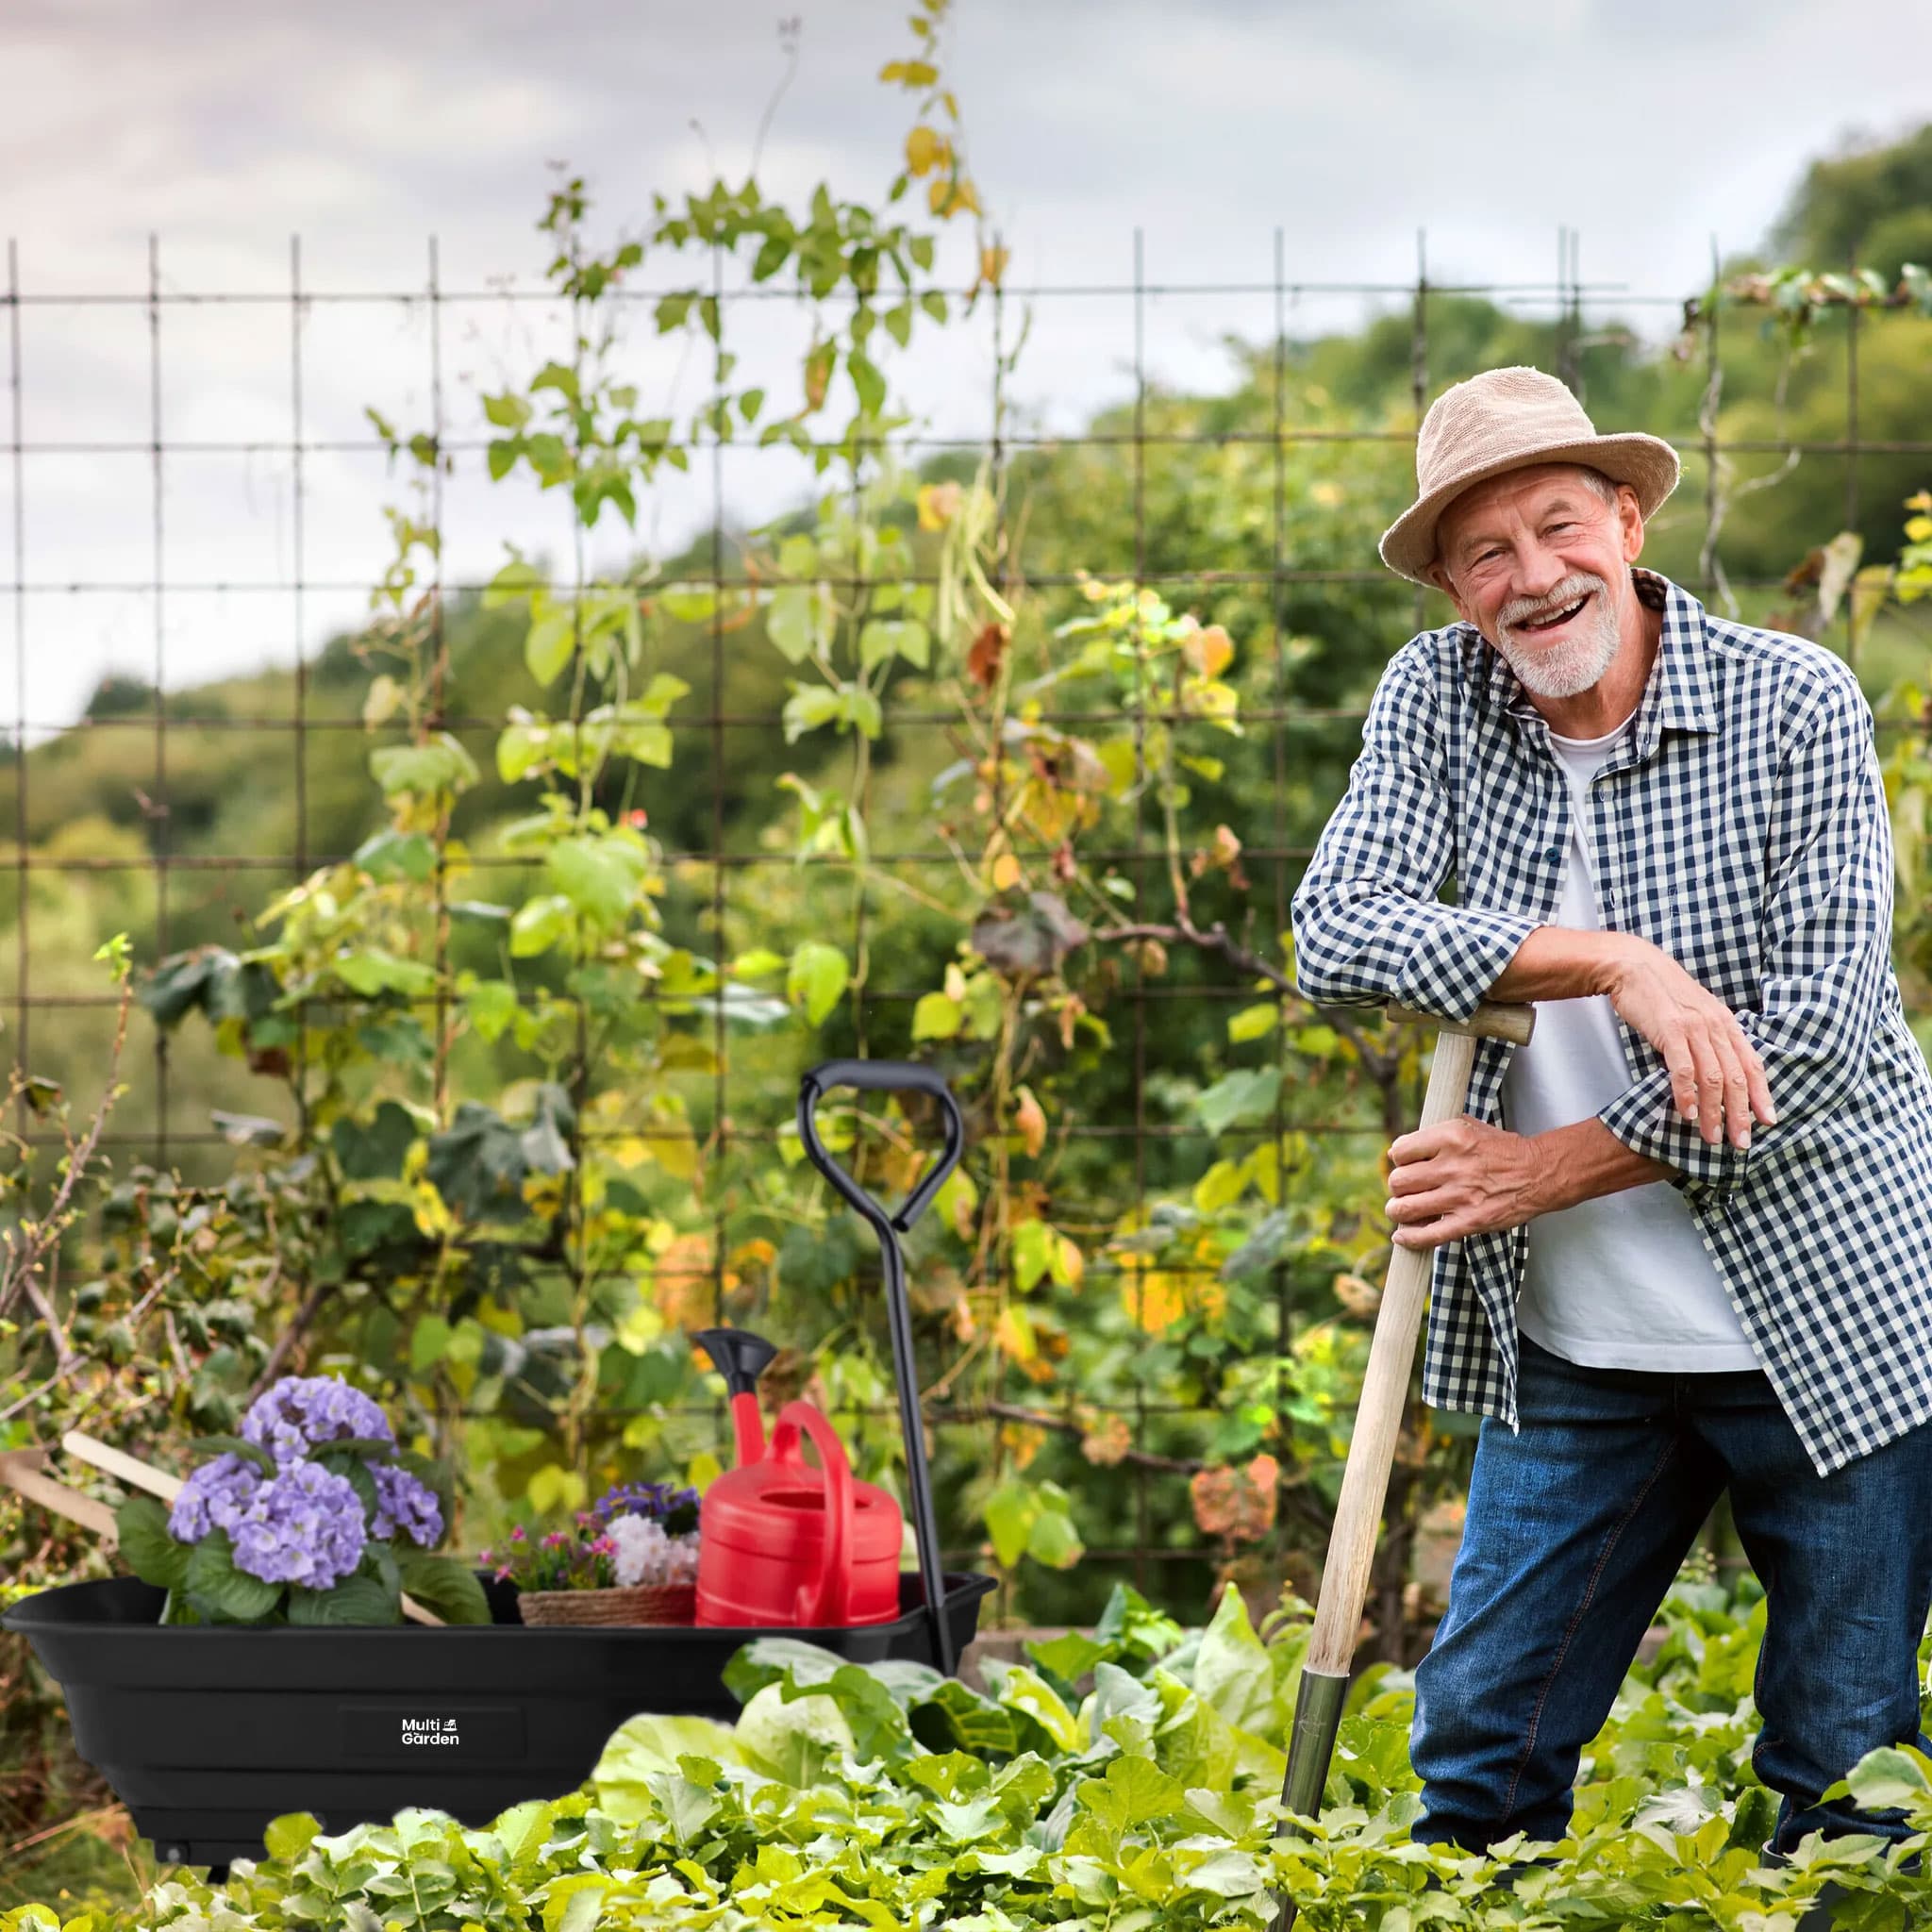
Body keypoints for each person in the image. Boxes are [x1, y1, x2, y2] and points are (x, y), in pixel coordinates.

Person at [1289, 364, 1932, 1880]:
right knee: (1479, 1751)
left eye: (1559, 527)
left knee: (1846, 1768)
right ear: (1453, 591)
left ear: (1628, 522)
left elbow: (1820, 1039)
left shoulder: (1794, 706)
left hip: (1827, 1315)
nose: (1533, 578)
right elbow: (1335, 930)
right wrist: (1615, 965)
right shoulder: (1438, 700)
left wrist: (1538, 1172)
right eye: (1485, 554)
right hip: (1583, 1348)